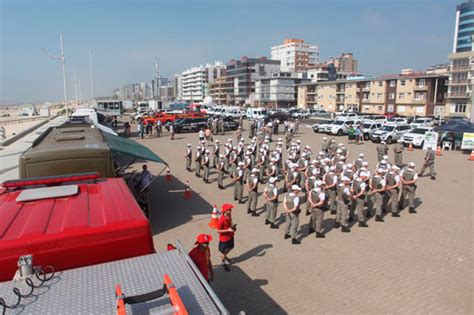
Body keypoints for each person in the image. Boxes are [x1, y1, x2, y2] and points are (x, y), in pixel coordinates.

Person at [216, 204, 236, 271]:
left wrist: (233, 227)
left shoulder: (229, 215)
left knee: (231, 247)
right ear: (225, 211)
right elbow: (218, 230)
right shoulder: (221, 219)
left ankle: (224, 256)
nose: (230, 211)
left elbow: (231, 221)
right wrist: (228, 230)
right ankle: (223, 262)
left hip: (230, 235)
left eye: (231, 209)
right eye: (229, 210)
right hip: (224, 238)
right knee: (223, 251)